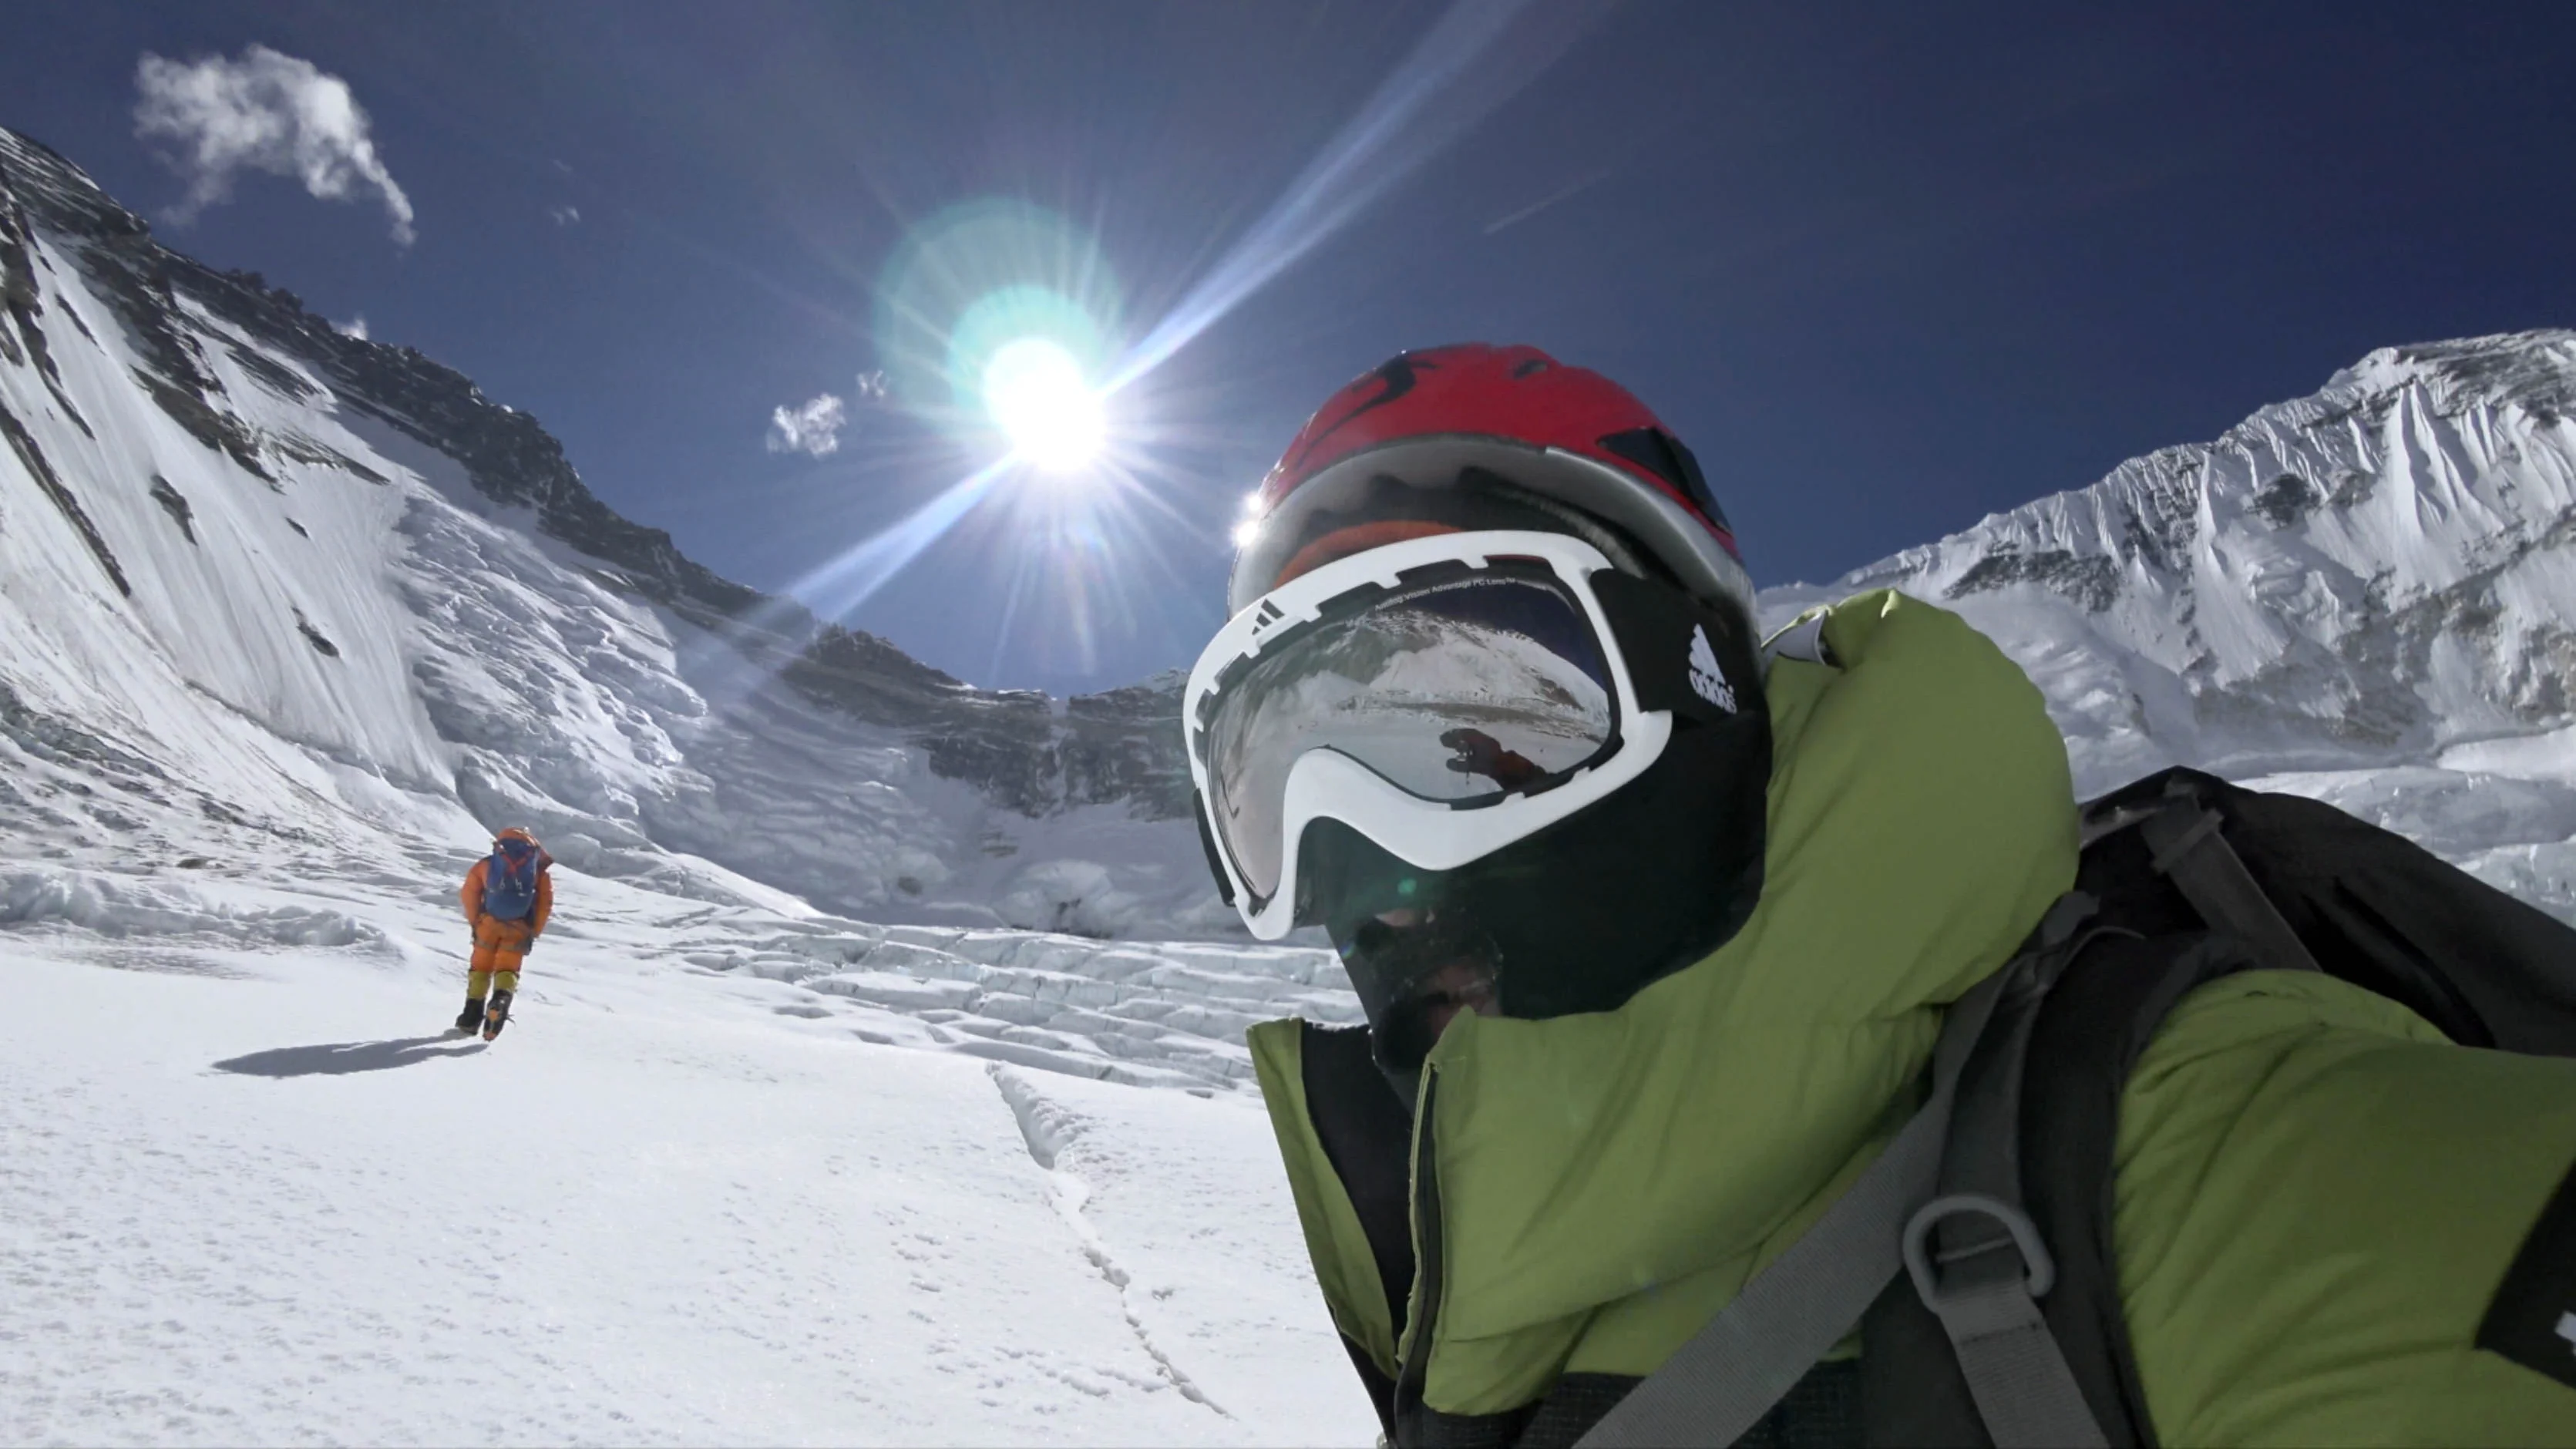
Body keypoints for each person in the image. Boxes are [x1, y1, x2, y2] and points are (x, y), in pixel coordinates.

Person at [1192, 344, 2576, 1447]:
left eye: (1471, 714)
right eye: (1274, 778)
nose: (1365, 875)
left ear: (1706, 691)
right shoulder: (1452, 1278)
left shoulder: (2200, 1166)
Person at [456, 826, 552, 1041]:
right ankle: (499, 1004)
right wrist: (534, 932)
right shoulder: (537, 872)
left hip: (487, 925)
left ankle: (470, 1019)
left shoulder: (487, 865)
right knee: (507, 970)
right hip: (519, 928)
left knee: (480, 968)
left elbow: (469, 892)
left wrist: (475, 922)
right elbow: (545, 904)